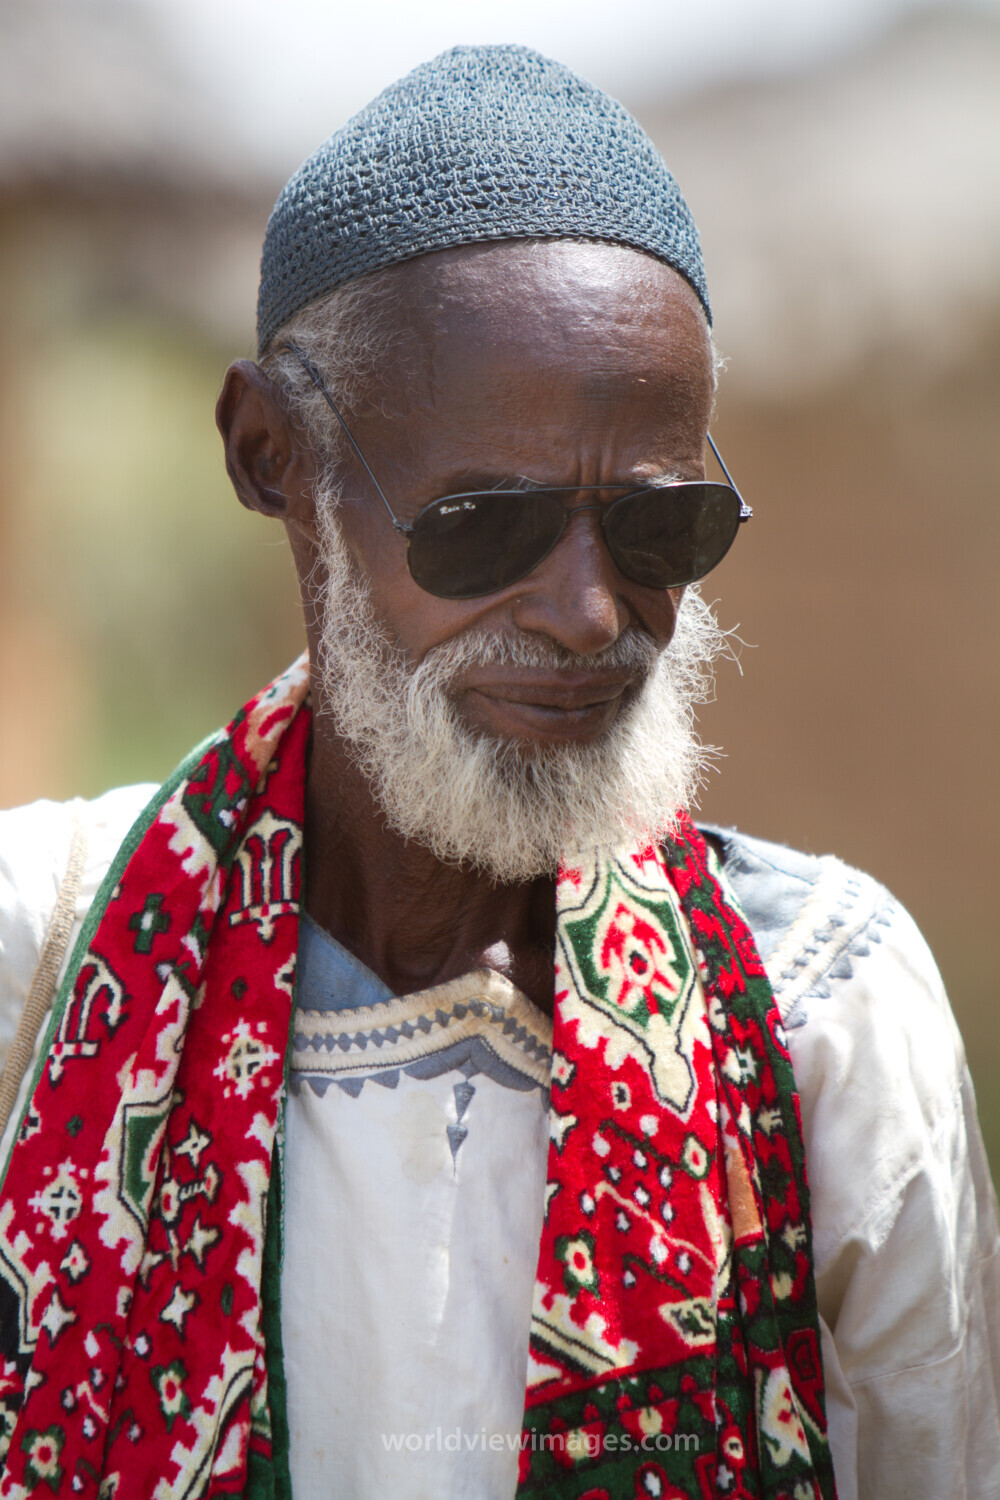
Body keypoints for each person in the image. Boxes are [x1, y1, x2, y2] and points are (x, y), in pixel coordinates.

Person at [0, 44, 996, 1500]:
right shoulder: (40, 964)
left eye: (661, 532)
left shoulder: (824, 1021)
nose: (591, 614)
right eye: (485, 524)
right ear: (273, 456)